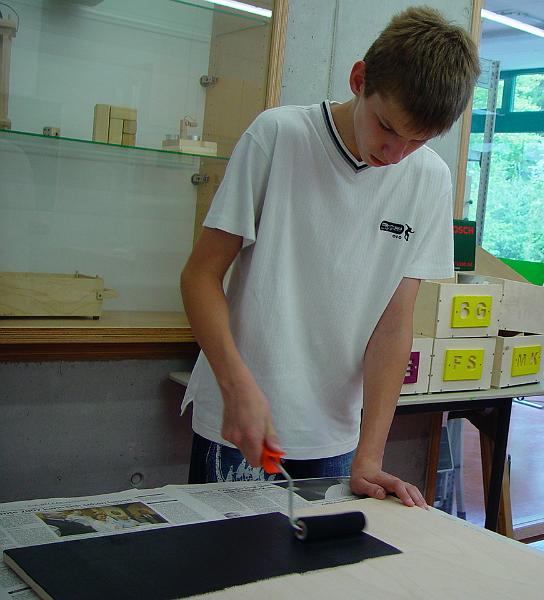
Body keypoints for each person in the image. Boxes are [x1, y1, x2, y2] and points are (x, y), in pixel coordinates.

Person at [179, 6, 479, 509]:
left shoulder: (429, 179)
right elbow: (200, 276)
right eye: (387, 127)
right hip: (241, 420)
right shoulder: (279, 137)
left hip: (335, 436)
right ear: (360, 79)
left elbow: (393, 323)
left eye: (417, 140)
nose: (395, 153)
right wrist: (236, 386)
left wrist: (370, 455)